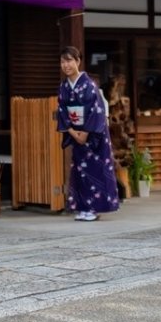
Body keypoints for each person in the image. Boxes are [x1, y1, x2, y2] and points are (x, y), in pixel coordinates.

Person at [56, 46, 120, 222]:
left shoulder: (90, 86)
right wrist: (72, 131)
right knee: (79, 170)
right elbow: (61, 112)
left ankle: (94, 208)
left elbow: (96, 111)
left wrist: (84, 134)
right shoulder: (63, 88)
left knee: (94, 169)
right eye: (63, 61)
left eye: (69, 60)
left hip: (93, 136)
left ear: (78, 61)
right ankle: (83, 207)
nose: (66, 65)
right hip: (76, 132)